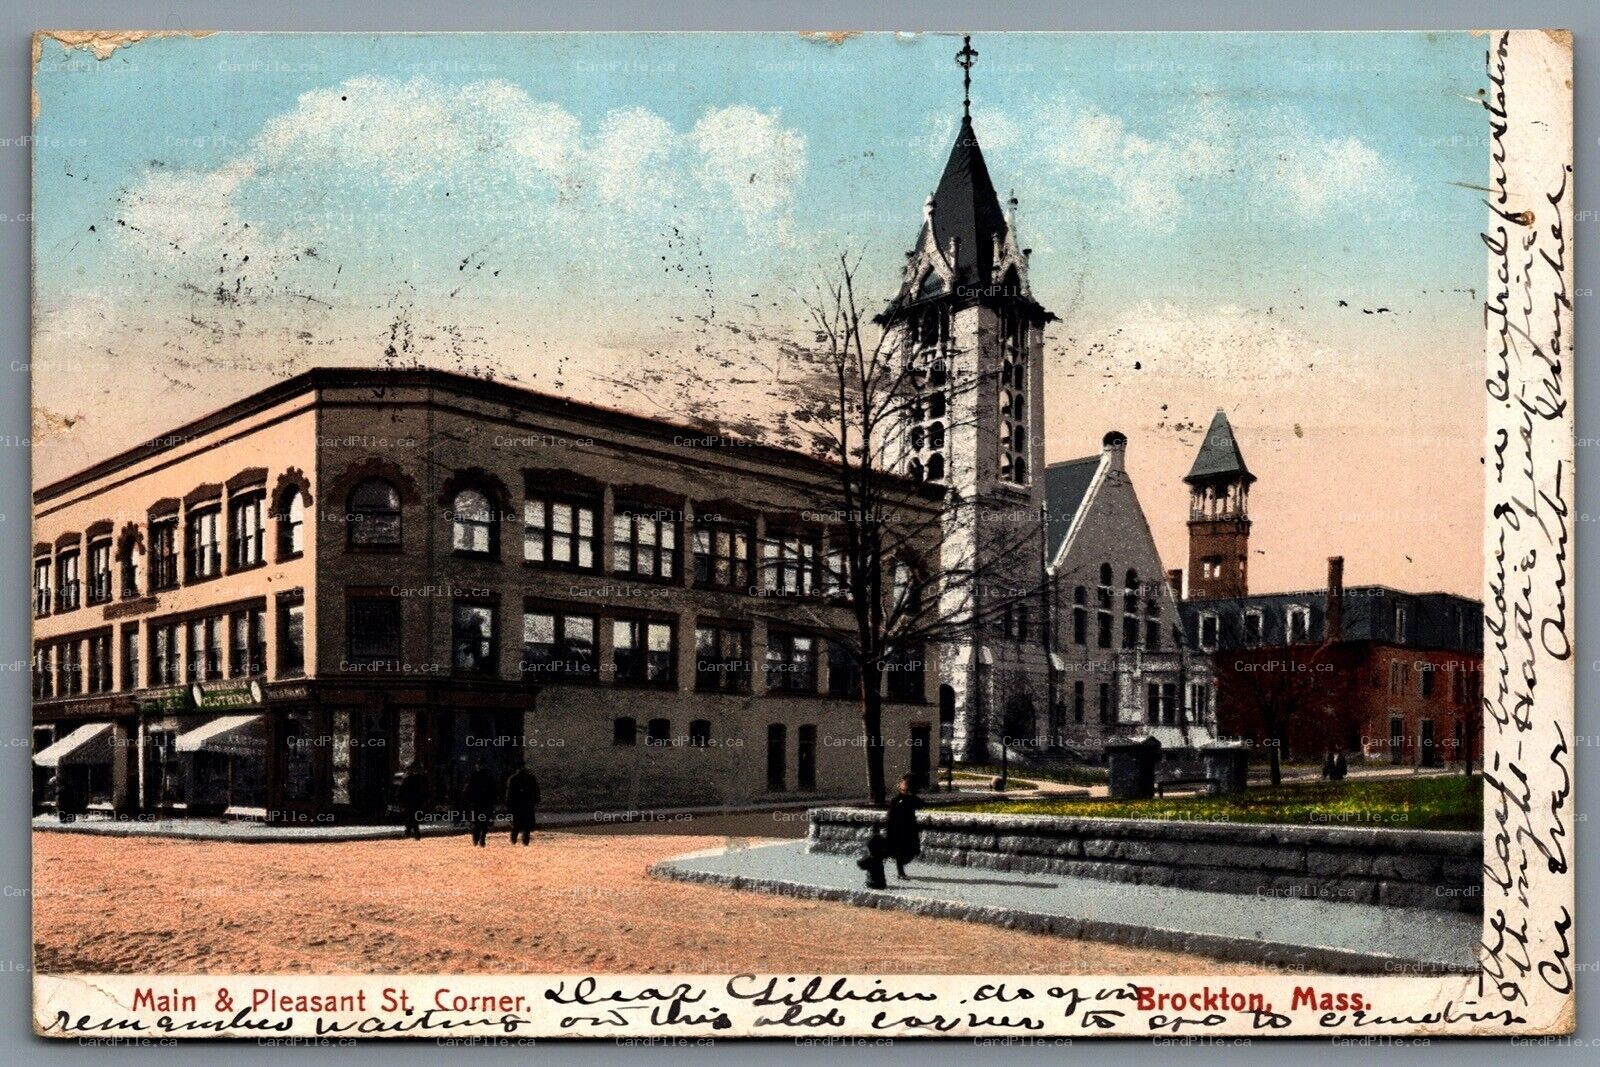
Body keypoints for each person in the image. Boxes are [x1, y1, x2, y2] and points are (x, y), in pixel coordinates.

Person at [884, 774, 924, 880]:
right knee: (899, 852)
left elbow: (920, 804)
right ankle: (900, 872)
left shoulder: (911, 798)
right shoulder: (896, 800)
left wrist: (911, 795)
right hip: (898, 829)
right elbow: (890, 816)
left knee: (911, 851)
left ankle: (901, 868)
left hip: (910, 828)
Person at [462, 761, 496, 847]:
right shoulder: (487, 776)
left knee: (478, 823)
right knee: (483, 823)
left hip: (479, 803)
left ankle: (478, 838)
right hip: (482, 803)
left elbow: (468, 790)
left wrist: (469, 800)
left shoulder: (476, 776)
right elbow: (494, 790)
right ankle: (480, 838)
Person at [505, 765, 540, 846]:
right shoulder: (518, 779)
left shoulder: (515, 779)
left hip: (521, 805)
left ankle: (518, 840)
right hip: (522, 805)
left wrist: (508, 804)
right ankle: (520, 840)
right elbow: (510, 793)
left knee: (519, 825)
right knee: (521, 825)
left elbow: (509, 793)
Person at [396, 761, 430, 840]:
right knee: (414, 817)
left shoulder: (408, 779)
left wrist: (400, 800)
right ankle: (414, 832)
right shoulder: (422, 779)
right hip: (417, 801)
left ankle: (411, 832)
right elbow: (426, 791)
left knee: (411, 817)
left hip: (410, 801)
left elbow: (400, 791)